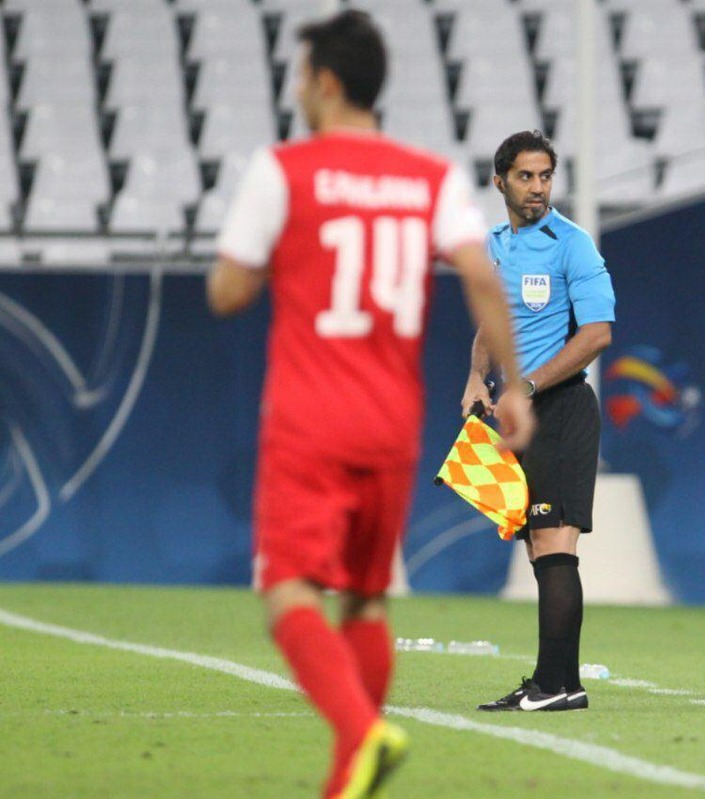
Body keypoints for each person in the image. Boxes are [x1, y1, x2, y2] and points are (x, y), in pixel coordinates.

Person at [206, 11, 534, 798]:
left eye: (300, 77)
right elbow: (479, 276)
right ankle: (348, 774)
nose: (298, 90)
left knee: (286, 587)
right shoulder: (430, 176)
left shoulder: (285, 170)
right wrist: (515, 384)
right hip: (390, 421)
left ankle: (362, 733)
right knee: (364, 598)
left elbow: (227, 290)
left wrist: (274, 260)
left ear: (324, 82)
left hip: (308, 416)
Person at [461, 130, 615, 713]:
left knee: (554, 543)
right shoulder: (495, 244)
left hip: (561, 410)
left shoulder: (573, 244)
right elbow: (492, 322)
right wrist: (477, 377)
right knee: (539, 550)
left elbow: (596, 334)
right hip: (516, 413)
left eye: (545, 176)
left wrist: (524, 387)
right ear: (499, 181)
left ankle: (556, 687)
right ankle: (556, 683)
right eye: (525, 176)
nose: (537, 187)